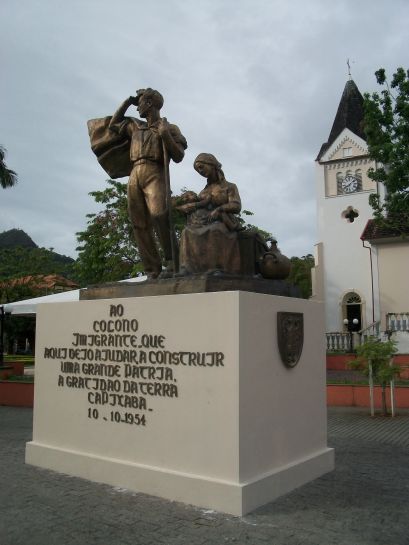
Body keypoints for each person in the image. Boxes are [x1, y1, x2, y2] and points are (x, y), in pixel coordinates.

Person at [108, 88, 187, 279]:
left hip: (155, 171)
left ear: (150, 104)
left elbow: (178, 156)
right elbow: (113, 124)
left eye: (141, 103)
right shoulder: (135, 126)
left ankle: (173, 264)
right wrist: (128, 101)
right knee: (138, 223)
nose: (138, 107)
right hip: (135, 173)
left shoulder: (170, 127)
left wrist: (165, 135)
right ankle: (152, 269)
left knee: (160, 215)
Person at [177, 153, 242, 275]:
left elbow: (236, 206)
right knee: (186, 231)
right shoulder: (203, 191)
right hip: (202, 221)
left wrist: (220, 209)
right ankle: (188, 268)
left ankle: (217, 268)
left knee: (214, 230)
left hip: (223, 221)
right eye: (198, 170)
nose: (200, 171)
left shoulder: (230, 187)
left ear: (211, 164)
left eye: (201, 167)